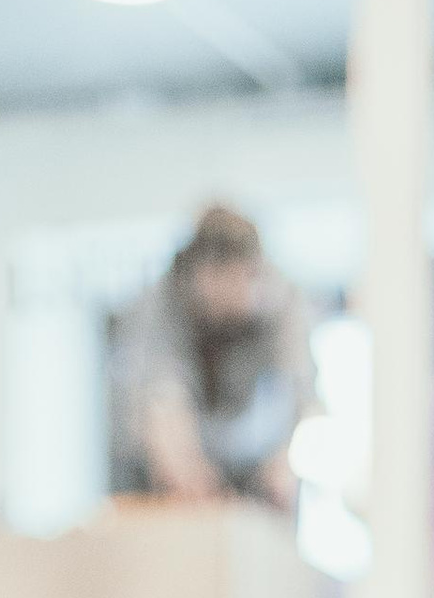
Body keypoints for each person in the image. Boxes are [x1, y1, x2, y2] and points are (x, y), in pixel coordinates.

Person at [108, 205, 315, 509]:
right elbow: (159, 402)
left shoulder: (284, 302)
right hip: (183, 461)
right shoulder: (159, 305)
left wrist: (287, 464)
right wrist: (185, 471)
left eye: (240, 280)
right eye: (219, 283)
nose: (230, 294)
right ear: (197, 276)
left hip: (258, 461)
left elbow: (303, 397)